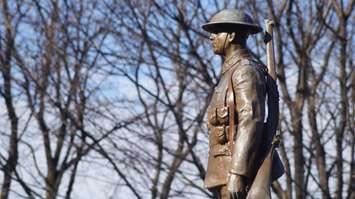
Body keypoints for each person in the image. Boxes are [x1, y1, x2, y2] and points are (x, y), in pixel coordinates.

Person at [202, 9, 284, 199]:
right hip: (221, 173)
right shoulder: (229, 73)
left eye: (217, 32)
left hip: (236, 174)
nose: (211, 37)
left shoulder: (244, 71)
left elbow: (251, 120)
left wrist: (238, 173)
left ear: (230, 36)